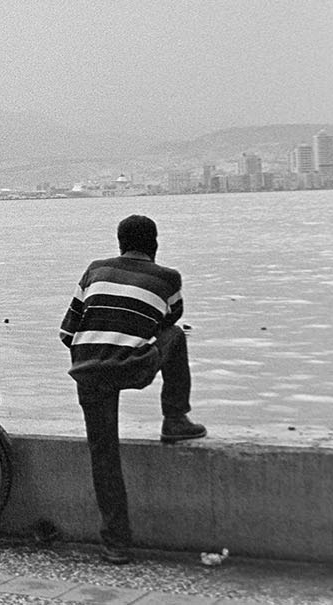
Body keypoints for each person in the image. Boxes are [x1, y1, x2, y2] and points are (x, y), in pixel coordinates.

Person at [59, 214, 207, 565]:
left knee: (103, 455)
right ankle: (175, 418)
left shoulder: (93, 271)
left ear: (119, 243)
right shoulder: (168, 278)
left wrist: (97, 352)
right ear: (154, 244)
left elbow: (66, 334)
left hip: (87, 371)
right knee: (177, 337)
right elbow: (167, 322)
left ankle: (116, 544)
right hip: (132, 367)